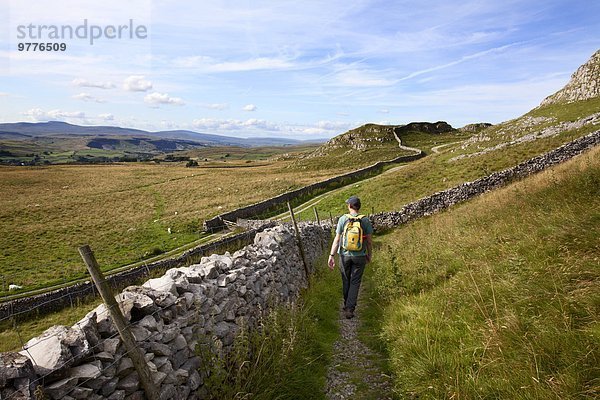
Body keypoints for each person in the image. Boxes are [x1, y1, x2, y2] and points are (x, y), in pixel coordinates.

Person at [328, 196, 373, 319]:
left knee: (345, 279)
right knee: (355, 281)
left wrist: (331, 255)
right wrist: (369, 255)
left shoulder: (343, 219)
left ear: (350, 206)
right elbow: (369, 241)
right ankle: (350, 308)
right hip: (360, 256)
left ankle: (346, 304)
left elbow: (337, 239)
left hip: (344, 254)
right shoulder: (365, 220)